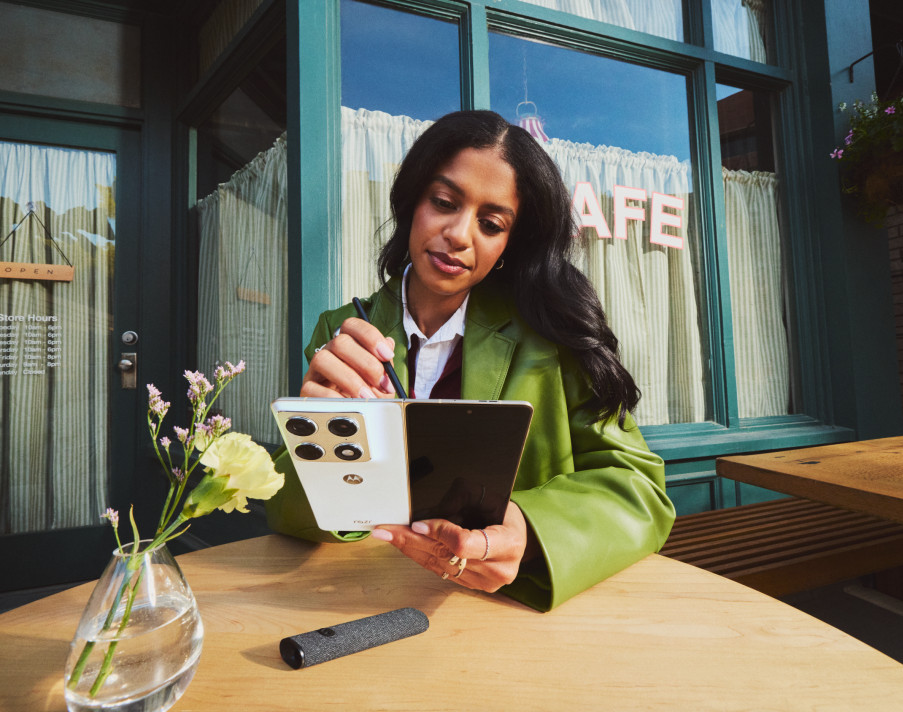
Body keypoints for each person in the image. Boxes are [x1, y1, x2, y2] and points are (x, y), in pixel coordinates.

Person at [265, 110, 675, 611]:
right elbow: (287, 512)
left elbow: (640, 490)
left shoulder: (551, 336)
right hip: (364, 599)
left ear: (508, 243)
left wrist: (530, 529)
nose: (459, 234)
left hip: (503, 608)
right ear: (412, 200)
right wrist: (323, 439)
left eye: (491, 223)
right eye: (443, 202)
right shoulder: (342, 331)